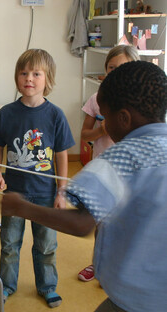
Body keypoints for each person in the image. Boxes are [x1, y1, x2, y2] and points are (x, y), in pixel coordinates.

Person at [1, 61, 167, 312]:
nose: (102, 122)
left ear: (123, 118)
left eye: (104, 116)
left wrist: (21, 207)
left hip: (140, 301)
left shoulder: (120, 157)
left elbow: (81, 223)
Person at [0, 49, 75, 308]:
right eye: (24, 73)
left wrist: (62, 191)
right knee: (9, 244)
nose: (29, 78)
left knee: (46, 246)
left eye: (36, 73)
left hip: (45, 194)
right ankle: (7, 285)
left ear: (48, 79)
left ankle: (47, 287)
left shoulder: (55, 115)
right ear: (17, 77)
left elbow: (61, 154)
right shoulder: (7, 112)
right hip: (14, 193)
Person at [78, 44, 140, 282]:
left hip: (131, 174)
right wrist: (102, 129)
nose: (115, 72)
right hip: (103, 172)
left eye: (122, 68)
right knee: (102, 223)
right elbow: (84, 135)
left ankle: (122, 269)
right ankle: (98, 264)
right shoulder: (97, 99)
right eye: (111, 67)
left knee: (128, 223)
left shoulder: (140, 102)